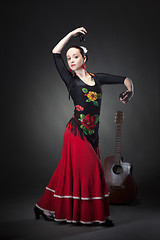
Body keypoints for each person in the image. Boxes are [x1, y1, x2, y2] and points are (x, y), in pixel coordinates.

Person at [34, 27, 134, 226]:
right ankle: (99, 216)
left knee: (65, 172)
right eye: (69, 57)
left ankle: (41, 207)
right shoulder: (70, 81)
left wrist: (130, 91)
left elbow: (125, 79)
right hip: (76, 132)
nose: (70, 60)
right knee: (95, 169)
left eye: (75, 56)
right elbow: (55, 52)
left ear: (84, 59)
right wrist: (71, 34)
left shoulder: (98, 79)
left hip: (92, 135)